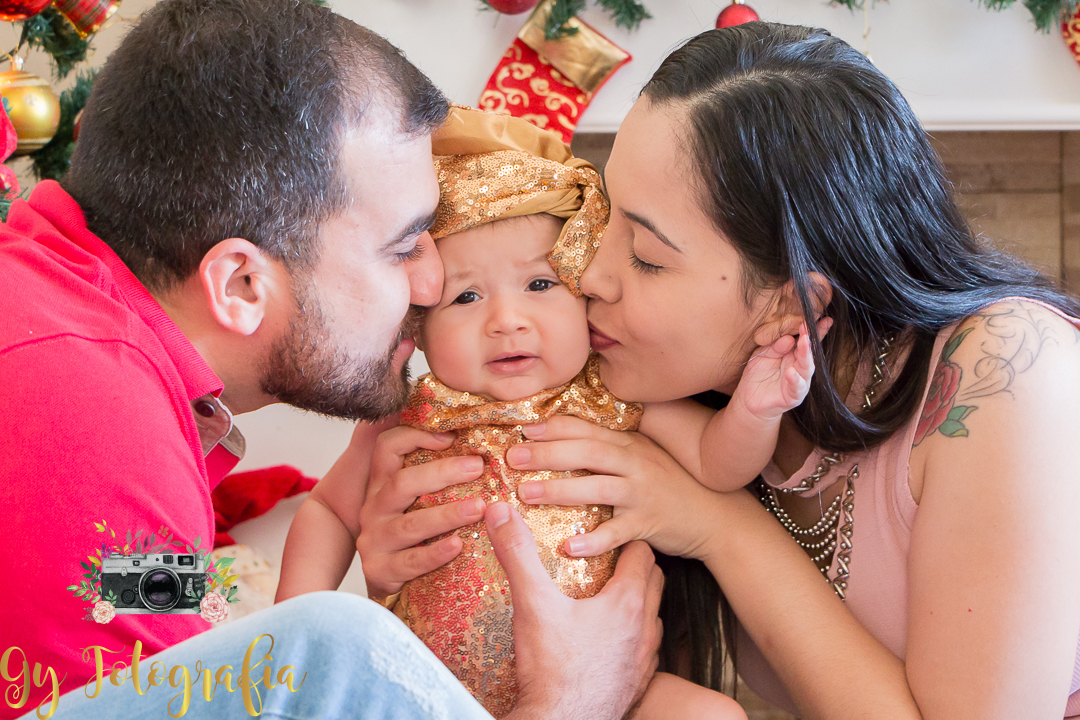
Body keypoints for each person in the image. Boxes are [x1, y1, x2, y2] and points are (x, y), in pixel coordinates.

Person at [358, 22, 1080, 719]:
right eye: (601, 224)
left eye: (645, 255)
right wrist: (431, 575)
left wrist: (717, 524)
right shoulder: (683, 395)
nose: (590, 276)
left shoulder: (1008, 370)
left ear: (792, 306)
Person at [0, 1, 663, 719]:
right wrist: (570, 702)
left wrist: (338, 638)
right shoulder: (88, 418)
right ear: (242, 284)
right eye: (403, 245)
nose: (432, 284)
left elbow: (103, 588)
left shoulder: (75, 340)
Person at [279, 106, 759, 718]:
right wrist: (290, 636)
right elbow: (326, 509)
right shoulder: (406, 415)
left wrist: (757, 409)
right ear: (418, 326)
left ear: (586, 293)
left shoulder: (609, 395)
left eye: (539, 285)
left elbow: (720, 463)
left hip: (615, 689)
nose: (506, 320)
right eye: (467, 296)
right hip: (422, 686)